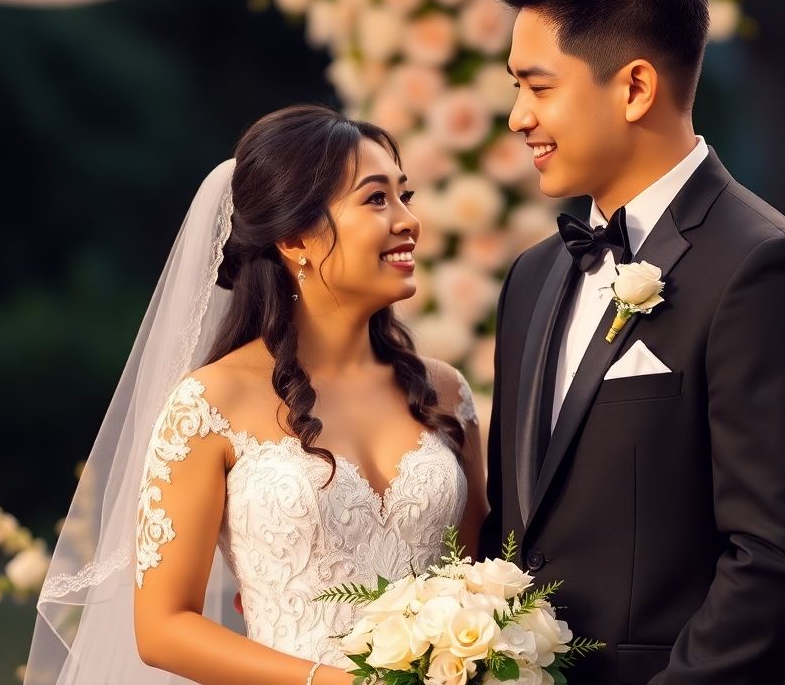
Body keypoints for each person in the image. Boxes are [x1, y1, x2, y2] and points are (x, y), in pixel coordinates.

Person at [481, 0, 785, 684]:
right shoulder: (532, 276)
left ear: (635, 87)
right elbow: (513, 529)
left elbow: (780, 564)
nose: (518, 115)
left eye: (538, 85)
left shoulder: (765, 269)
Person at [24, 105, 487, 684]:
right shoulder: (209, 404)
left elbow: (475, 579)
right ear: (295, 238)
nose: (408, 221)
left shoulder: (445, 392)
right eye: (376, 199)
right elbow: (163, 626)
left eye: (405, 196)